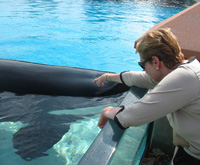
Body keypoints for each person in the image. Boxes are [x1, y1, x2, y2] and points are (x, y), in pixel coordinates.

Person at [94, 28, 200, 165]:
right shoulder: (184, 70)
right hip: (190, 151)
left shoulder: (184, 78)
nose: (143, 70)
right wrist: (107, 77)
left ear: (155, 62)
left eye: (142, 64)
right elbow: (140, 78)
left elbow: (134, 115)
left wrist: (108, 111)